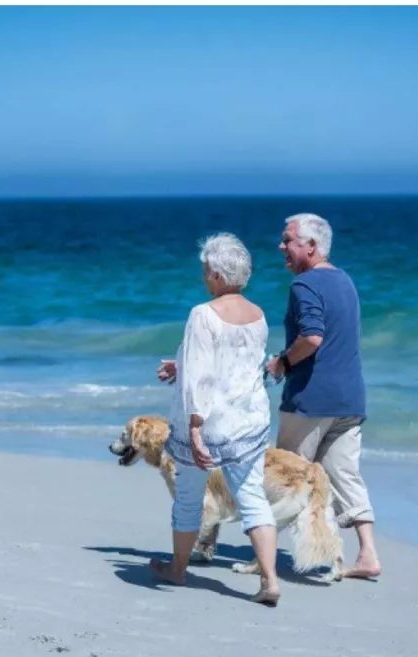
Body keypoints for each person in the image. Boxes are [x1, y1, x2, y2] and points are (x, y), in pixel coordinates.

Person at [151, 232, 281, 605]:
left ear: (220, 276)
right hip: (249, 421)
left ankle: (177, 570)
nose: (204, 277)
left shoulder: (202, 314)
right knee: (253, 497)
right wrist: (182, 363)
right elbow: (241, 364)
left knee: (189, 496)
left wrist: (194, 428)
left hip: (211, 424)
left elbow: (201, 378)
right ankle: (270, 580)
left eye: (207, 271)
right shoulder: (258, 315)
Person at [265, 212, 382, 580]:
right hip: (350, 399)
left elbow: (312, 337)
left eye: (288, 240)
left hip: (311, 400)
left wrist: (282, 362)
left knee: (288, 477)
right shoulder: (345, 280)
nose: (281, 246)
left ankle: (266, 555)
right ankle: (366, 554)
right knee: (345, 475)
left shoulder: (304, 286)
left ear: (311, 246)